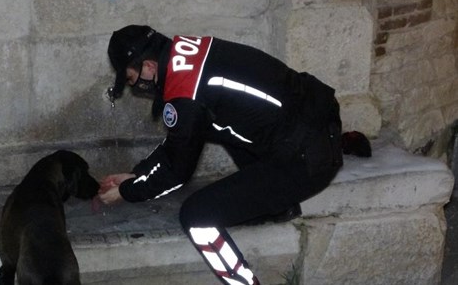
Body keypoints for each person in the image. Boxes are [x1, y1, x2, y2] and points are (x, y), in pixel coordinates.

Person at [97, 25, 344, 285]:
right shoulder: (187, 52)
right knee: (217, 122)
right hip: (316, 121)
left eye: (130, 78)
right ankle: (275, 209)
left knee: (196, 217)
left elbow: (177, 171)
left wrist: (128, 191)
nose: (134, 86)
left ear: (148, 67)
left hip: (306, 159)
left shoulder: (186, 95)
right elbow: (180, 141)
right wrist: (137, 174)